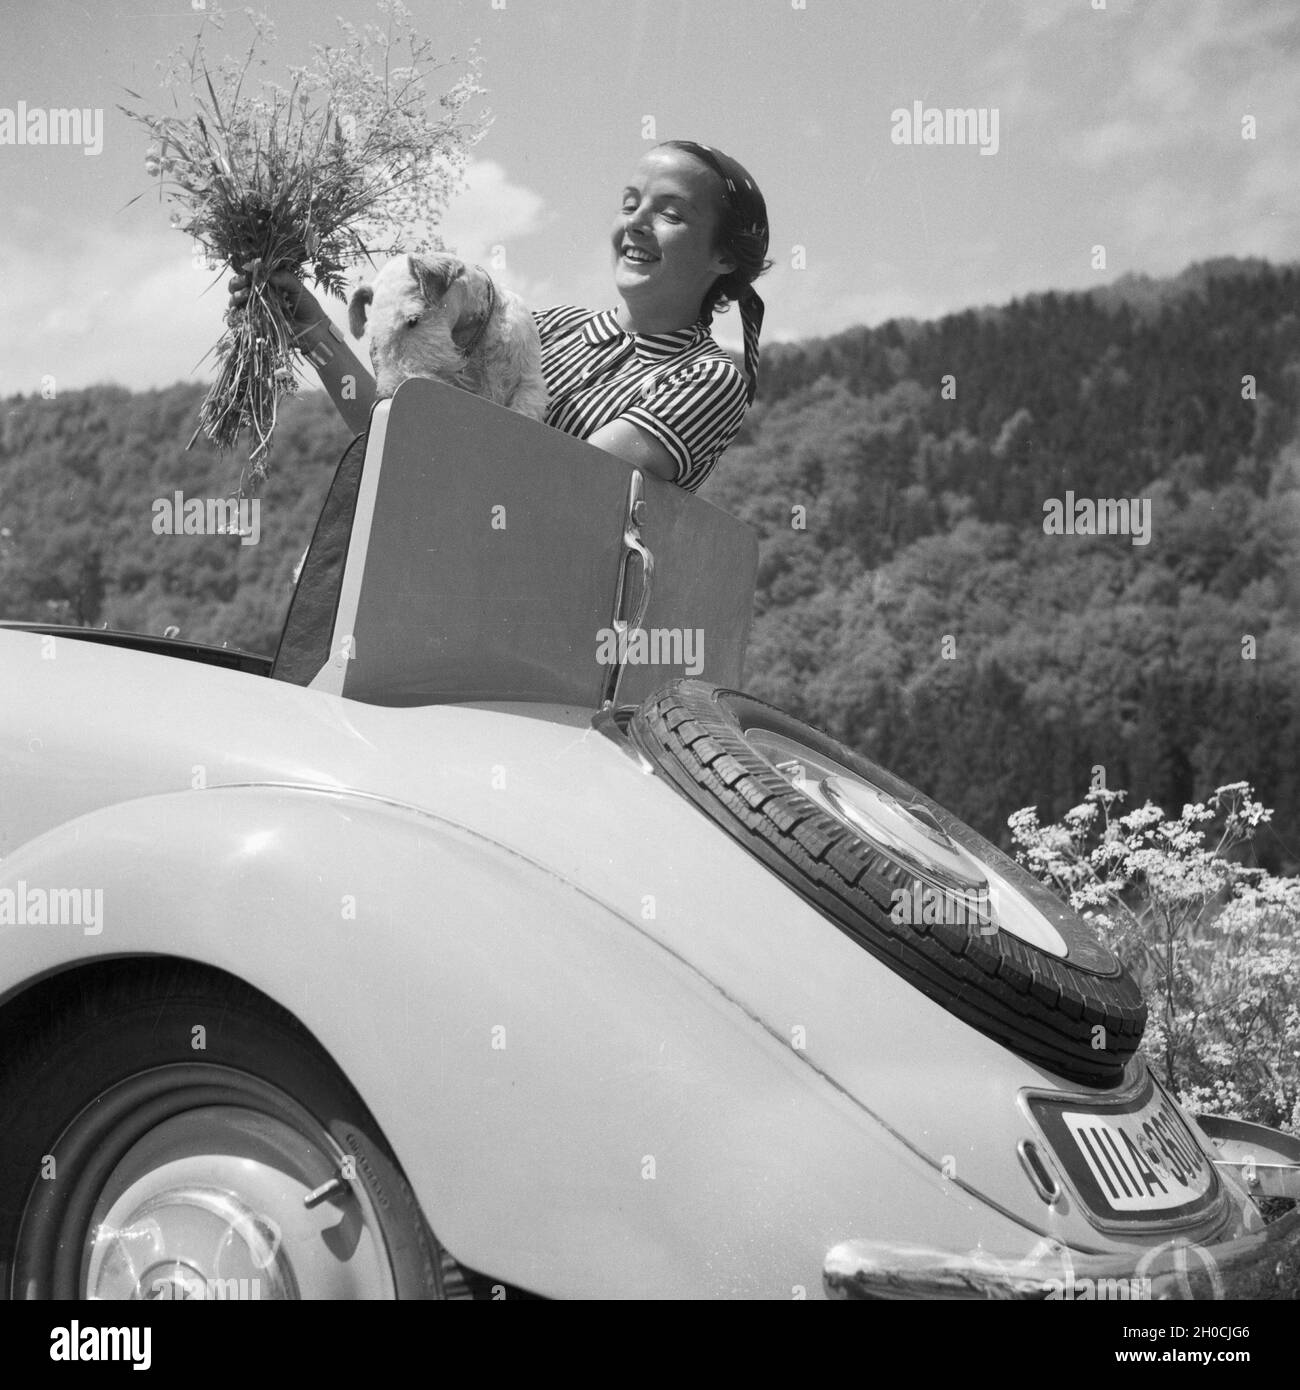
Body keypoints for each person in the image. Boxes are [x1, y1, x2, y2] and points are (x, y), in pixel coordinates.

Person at [229, 140, 770, 490]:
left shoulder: (707, 378)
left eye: (670, 213)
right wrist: (313, 332)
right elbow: (400, 435)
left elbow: (552, 482)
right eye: (630, 205)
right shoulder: (551, 325)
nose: (636, 223)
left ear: (724, 257)